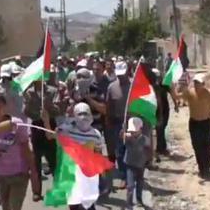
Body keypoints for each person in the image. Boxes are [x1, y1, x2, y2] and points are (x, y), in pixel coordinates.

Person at [0, 95, 42, 210]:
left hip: (19, 174)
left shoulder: (17, 124)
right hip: (1, 175)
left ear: (5, 107)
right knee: (5, 207)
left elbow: (26, 149)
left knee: (14, 207)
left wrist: (34, 174)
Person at [42, 102, 105, 210]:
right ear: (74, 116)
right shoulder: (67, 130)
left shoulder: (96, 134)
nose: (83, 117)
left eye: (86, 114)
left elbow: (98, 154)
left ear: (90, 115)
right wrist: (46, 121)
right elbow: (50, 135)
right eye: (80, 114)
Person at [170, 73, 210, 179]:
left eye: (198, 83)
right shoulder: (189, 92)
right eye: (195, 83)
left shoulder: (209, 94)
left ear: (203, 84)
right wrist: (172, 87)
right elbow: (176, 96)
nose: (196, 85)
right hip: (194, 123)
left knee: (207, 146)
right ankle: (202, 169)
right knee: (197, 146)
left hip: (206, 123)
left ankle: (207, 168)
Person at [23, 80, 59, 183]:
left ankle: (58, 186)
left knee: (53, 159)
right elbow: (26, 113)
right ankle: (37, 191)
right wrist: (28, 103)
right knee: (36, 161)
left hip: (50, 124)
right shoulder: (29, 93)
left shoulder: (52, 91)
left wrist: (49, 105)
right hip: (36, 125)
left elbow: (58, 110)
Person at [105, 61, 131, 189]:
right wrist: (108, 121)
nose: (121, 77)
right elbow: (108, 105)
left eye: (123, 74)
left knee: (132, 150)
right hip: (117, 122)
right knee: (120, 151)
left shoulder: (134, 86)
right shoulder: (111, 87)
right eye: (119, 75)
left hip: (132, 122)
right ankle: (124, 176)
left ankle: (134, 175)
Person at [124, 117, 152, 210]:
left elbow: (149, 151)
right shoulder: (127, 137)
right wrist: (123, 130)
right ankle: (128, 203)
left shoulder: (145, 140)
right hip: (130, 163)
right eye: (131, 131)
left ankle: (139, 200)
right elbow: (122, 136)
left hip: (140, 164)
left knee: (140, 183)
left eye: (135, 131)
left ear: (140, 129)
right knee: (130, 185)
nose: (133, 133)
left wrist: (148, 160)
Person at [153, 69, 177, 156]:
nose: (158, 79)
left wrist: (176, 105)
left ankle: (161, 148)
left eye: (159, 77)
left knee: (162, 128)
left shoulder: (164, 85)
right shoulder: (153, 86)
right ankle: (161, 148)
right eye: (156, 77)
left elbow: (172, 94)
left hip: (165, 110)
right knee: (159, 129)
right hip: (156, 110)